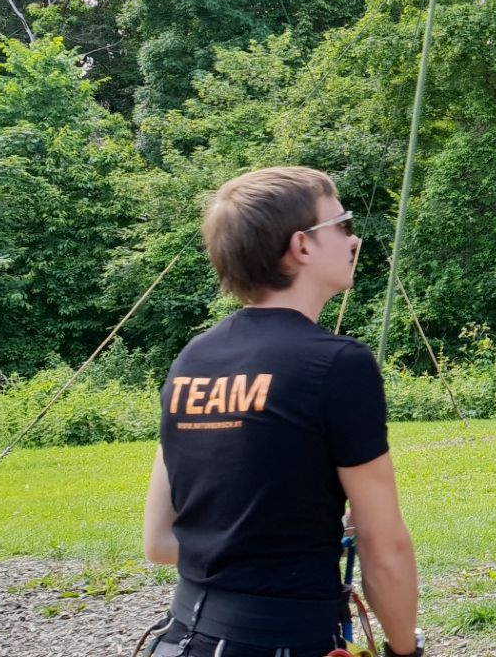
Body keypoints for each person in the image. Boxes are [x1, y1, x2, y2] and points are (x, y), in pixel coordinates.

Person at [141, 166, 422, 657]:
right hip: (285, 642)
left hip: (182, 639)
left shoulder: (193, 359)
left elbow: (160, 541)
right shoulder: (338, 364)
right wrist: (405, 651)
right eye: (343, 225)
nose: (354, 240)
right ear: (302, 246)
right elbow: (385, 548)